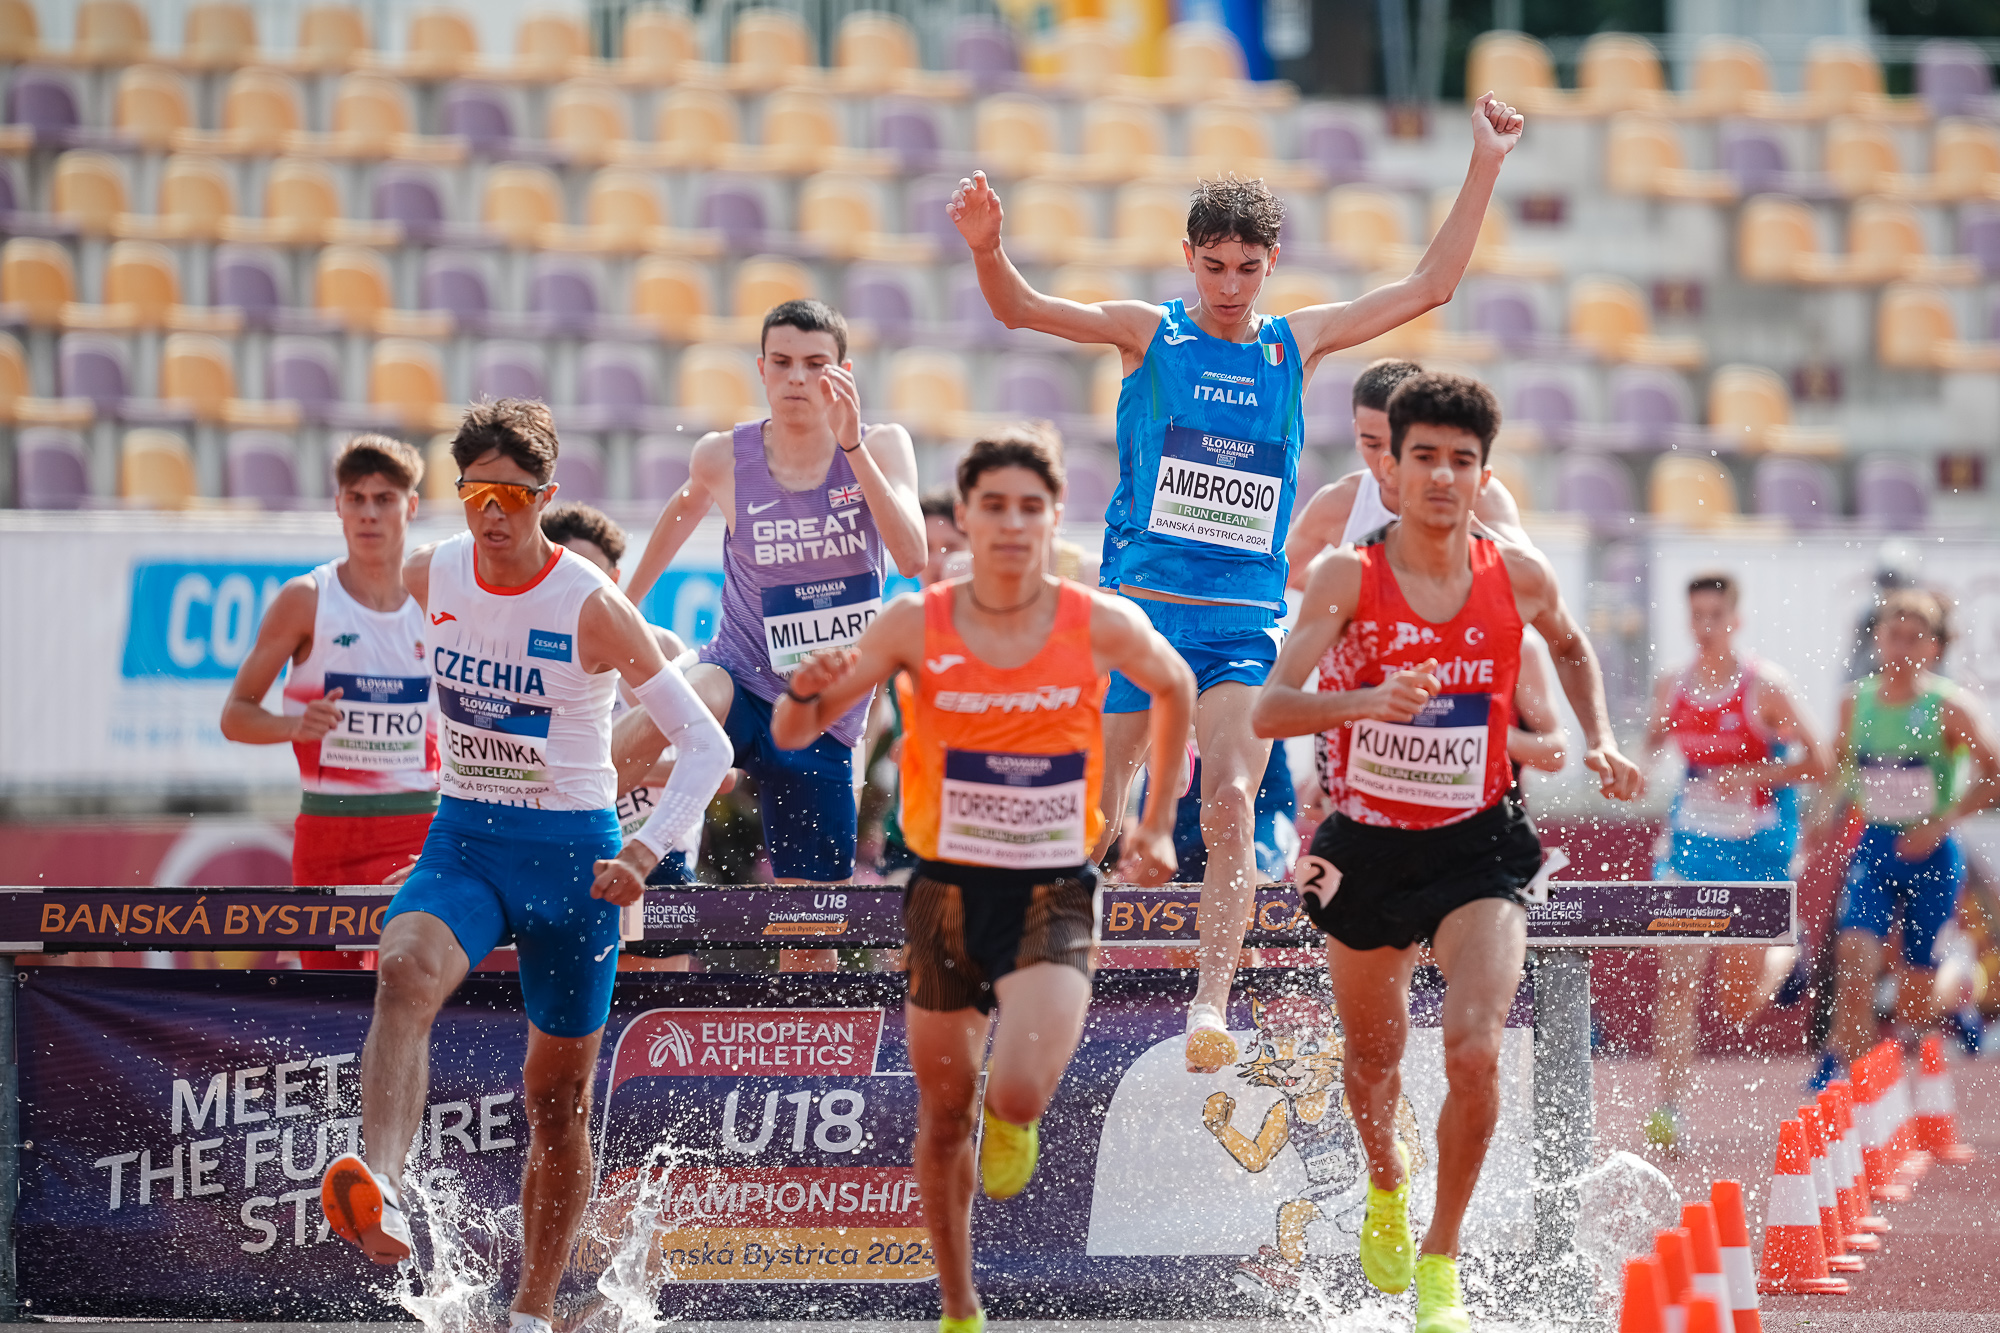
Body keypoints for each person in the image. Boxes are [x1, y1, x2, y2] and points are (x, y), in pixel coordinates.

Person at [950, 94, 1526, 1073]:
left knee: (1227, 801)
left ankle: (1207, 1006)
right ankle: (1036, 991)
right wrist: (987, 248)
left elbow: (1431, 285)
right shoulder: (1150, 334)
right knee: (1093, 816)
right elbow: (1019, 309)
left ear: (1271, 262)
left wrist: (1484, 161)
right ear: (1188, 257)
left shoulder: (1292, 344)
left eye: (1246, 267)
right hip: (1139, 618)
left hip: (1238, 629)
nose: (1228, 284)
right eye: (1213, 265)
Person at [317, 401, 731, 1333]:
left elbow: (706, 745)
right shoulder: (432, 571)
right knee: (403, 969)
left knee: (556, 1102)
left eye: (511, 494)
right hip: (465, 836)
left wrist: (645, 849)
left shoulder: (591, 605)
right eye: (477, 493)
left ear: (545, 497)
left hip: (573, 860)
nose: (492, 511)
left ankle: (535, 1309)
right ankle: (381, 1184)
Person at [770, 429, 1196, 1333]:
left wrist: (1155, 821)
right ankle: (959, 1304)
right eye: (993, 505)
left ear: (1054, 517)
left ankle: (1015, 1116)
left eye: (1030, 507)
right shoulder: (913, 623)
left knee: (1015, 1091)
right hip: (946, 890)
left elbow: (1175, 684)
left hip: (1053, 888)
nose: (1011, 523)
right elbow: (795, 734)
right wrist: (805, 691)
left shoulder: (1097, 621)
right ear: (964, 515)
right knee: (942, 1110)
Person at [1252, 372, 1642, 1333]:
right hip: (1367, 849)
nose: (1439, 476)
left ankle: (1441, 1257)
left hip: (1481, 848)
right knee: (1371, 1060)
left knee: (1473, 1050)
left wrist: (1599, 737)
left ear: (1483, 475)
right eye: (1421, 456)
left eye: (1459, 460)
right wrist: (1366, 702)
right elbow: (1271, 708)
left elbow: (1572, 645)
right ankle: (1387, 1181)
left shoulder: (1519, 574)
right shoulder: (1346, 575)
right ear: (1389, 466)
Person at [619, 300, 926, 959]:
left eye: (815, 364)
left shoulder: (881, 445)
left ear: (843, 374)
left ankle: (802, 1026)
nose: (797, 378)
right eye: (782, 363)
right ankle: (557, 813)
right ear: (761, 369)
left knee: (811, 932)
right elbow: (678, 518)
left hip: (822, 716)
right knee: (690, 691)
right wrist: (619, 609)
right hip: (739, 676)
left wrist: (851, 446)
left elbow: (911, 556)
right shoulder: (722, 456)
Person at [220, 434, 438, 970]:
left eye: (384, 499)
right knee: (330, 1003)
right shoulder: (307, 599)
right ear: (337, 505)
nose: (369, 513)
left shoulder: (438, 601)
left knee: (414, 989)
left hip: (419, 834)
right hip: (329, 836)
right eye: (356, 498)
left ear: (411, 506)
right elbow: (235, 716)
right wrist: (294, 726)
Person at [1639, 572, 1827, 1148]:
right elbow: (1651, 743)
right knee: (1677, 980)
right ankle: (1669, 1110)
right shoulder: (1673, 685)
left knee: (1736, 1006)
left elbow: (1820, 763)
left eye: (1715, 616)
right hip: (1690, 849)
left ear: (1736, 620)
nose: (1705, 627)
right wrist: (1633, 765)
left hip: (1756, 852)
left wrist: (1753, 773)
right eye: (1696, 616)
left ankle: (1787, 955)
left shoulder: (1765, 688)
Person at [1809, 588, 2000, 1090]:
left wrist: (1942, 822)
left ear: (1934, 647)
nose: (1902, 648)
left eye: (1915, 639)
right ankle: (1845, 1074)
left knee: (1914, 996)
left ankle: (1956, 985)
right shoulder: (1855, 703)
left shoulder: (1951, 708)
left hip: (1933, 854)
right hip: (1876, 846)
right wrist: (1822, 812)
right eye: (1894, 636)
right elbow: (1840, 767)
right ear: (1878, 639)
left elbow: (1994, 775)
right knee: (1855, 957)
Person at [1283, 358, 1526, 578]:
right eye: (1372, 444)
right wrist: (1335, 589)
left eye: (1397, 445)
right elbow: (1274, 574)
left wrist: (1469, 528)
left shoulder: (1478, 495)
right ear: (1357, 433)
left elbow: (1529, 574)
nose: (1386, 460)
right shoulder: (1339, 503)